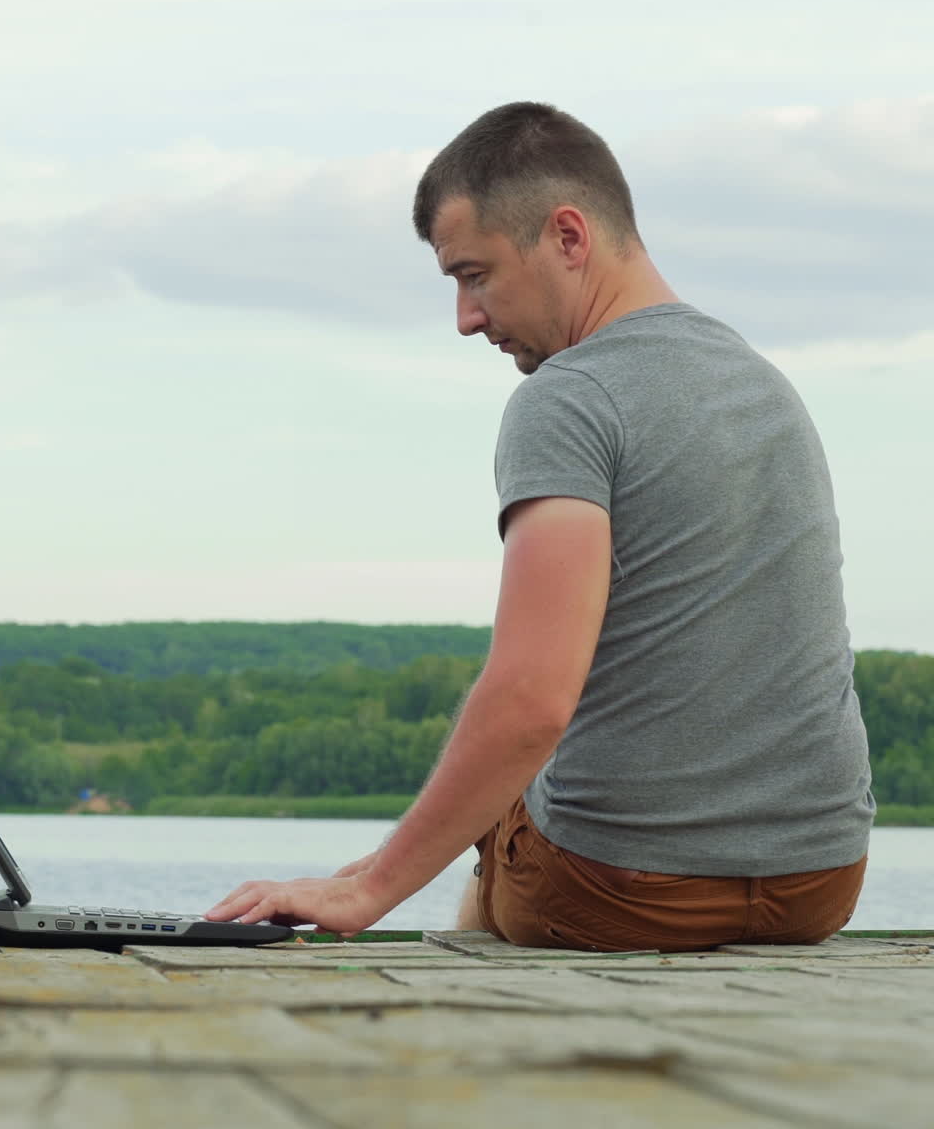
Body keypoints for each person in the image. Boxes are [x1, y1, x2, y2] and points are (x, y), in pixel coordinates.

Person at [206, 102, 873, 951]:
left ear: (567, 236)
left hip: (621, 892)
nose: (465, 317)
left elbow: (530, 701)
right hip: (819, 882)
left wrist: (367, 889)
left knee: (508, 785)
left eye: (475, 275)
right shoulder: (766, 384)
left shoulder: (567, 398)